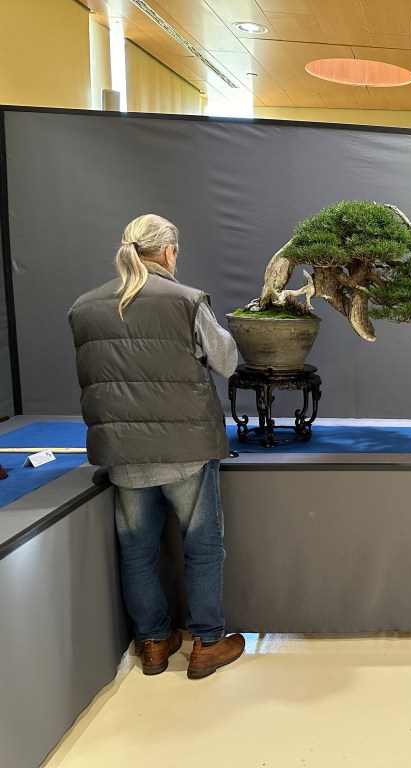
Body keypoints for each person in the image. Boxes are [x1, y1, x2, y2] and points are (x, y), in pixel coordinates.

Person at [68, 214, 245, 679]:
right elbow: (227, 361)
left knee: (137, 552)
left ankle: (153, 643)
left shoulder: (84, 308)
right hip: (186, 449)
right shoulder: (186, 300)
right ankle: (207, 644)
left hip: (123, 453)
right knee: (202, 548)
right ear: (168, 252)